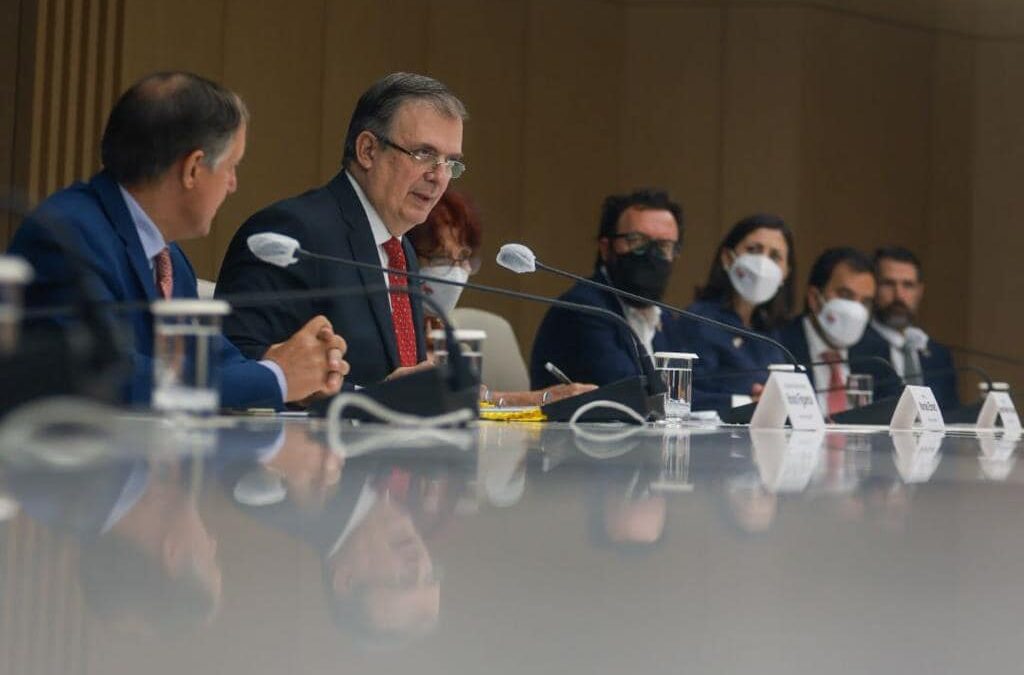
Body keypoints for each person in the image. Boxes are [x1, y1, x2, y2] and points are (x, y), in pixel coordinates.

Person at [7, 71, 348, 410]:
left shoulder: (168, 257)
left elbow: (212, 360)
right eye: (232, 166)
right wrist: (276, 378)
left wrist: (302, 373)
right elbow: (110, 375)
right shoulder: (66, 235)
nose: (233, 185)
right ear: (193, 169)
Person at [216, 72, 466, 387]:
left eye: (450, 163)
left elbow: (399, 381)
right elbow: (239, 365)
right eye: (424, 154)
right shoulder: (293, 233)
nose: (439, 176)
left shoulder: (401, 251)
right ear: (368, 151)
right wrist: (375, 399)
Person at [407, 190, 595, 406]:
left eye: (463, 257)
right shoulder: (387, 334)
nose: (456, 271)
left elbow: (470, 402)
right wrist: (543, 399)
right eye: (441, 258)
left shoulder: (448, 341)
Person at [529, 189, 684, 389]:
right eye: (636, 241)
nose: (651, 255)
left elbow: (687, 391)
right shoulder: (583, 308)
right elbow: (629, 390)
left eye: (663, 246)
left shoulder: (664, 318)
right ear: (605, 248)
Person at [669, 214, 795, 413]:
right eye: (754, 250)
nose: (763, 263)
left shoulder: (771, 331)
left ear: (785, 273)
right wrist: (747, 401)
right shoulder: (699, 320)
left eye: (775, 256)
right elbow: (680, 394)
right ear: (727, 258)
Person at [851, 246, 959, 410]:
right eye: (888, 284)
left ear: (920, 291)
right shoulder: (854, 347)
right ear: (873, 288)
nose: (899, 295)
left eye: (908, 285)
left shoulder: (939, 356)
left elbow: (952, 416)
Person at [779, 247, 876, 416]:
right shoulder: (778, 345)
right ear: (814, 298)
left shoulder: (876, 356)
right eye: (846, 295)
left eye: (865, 302)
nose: (856, 310)